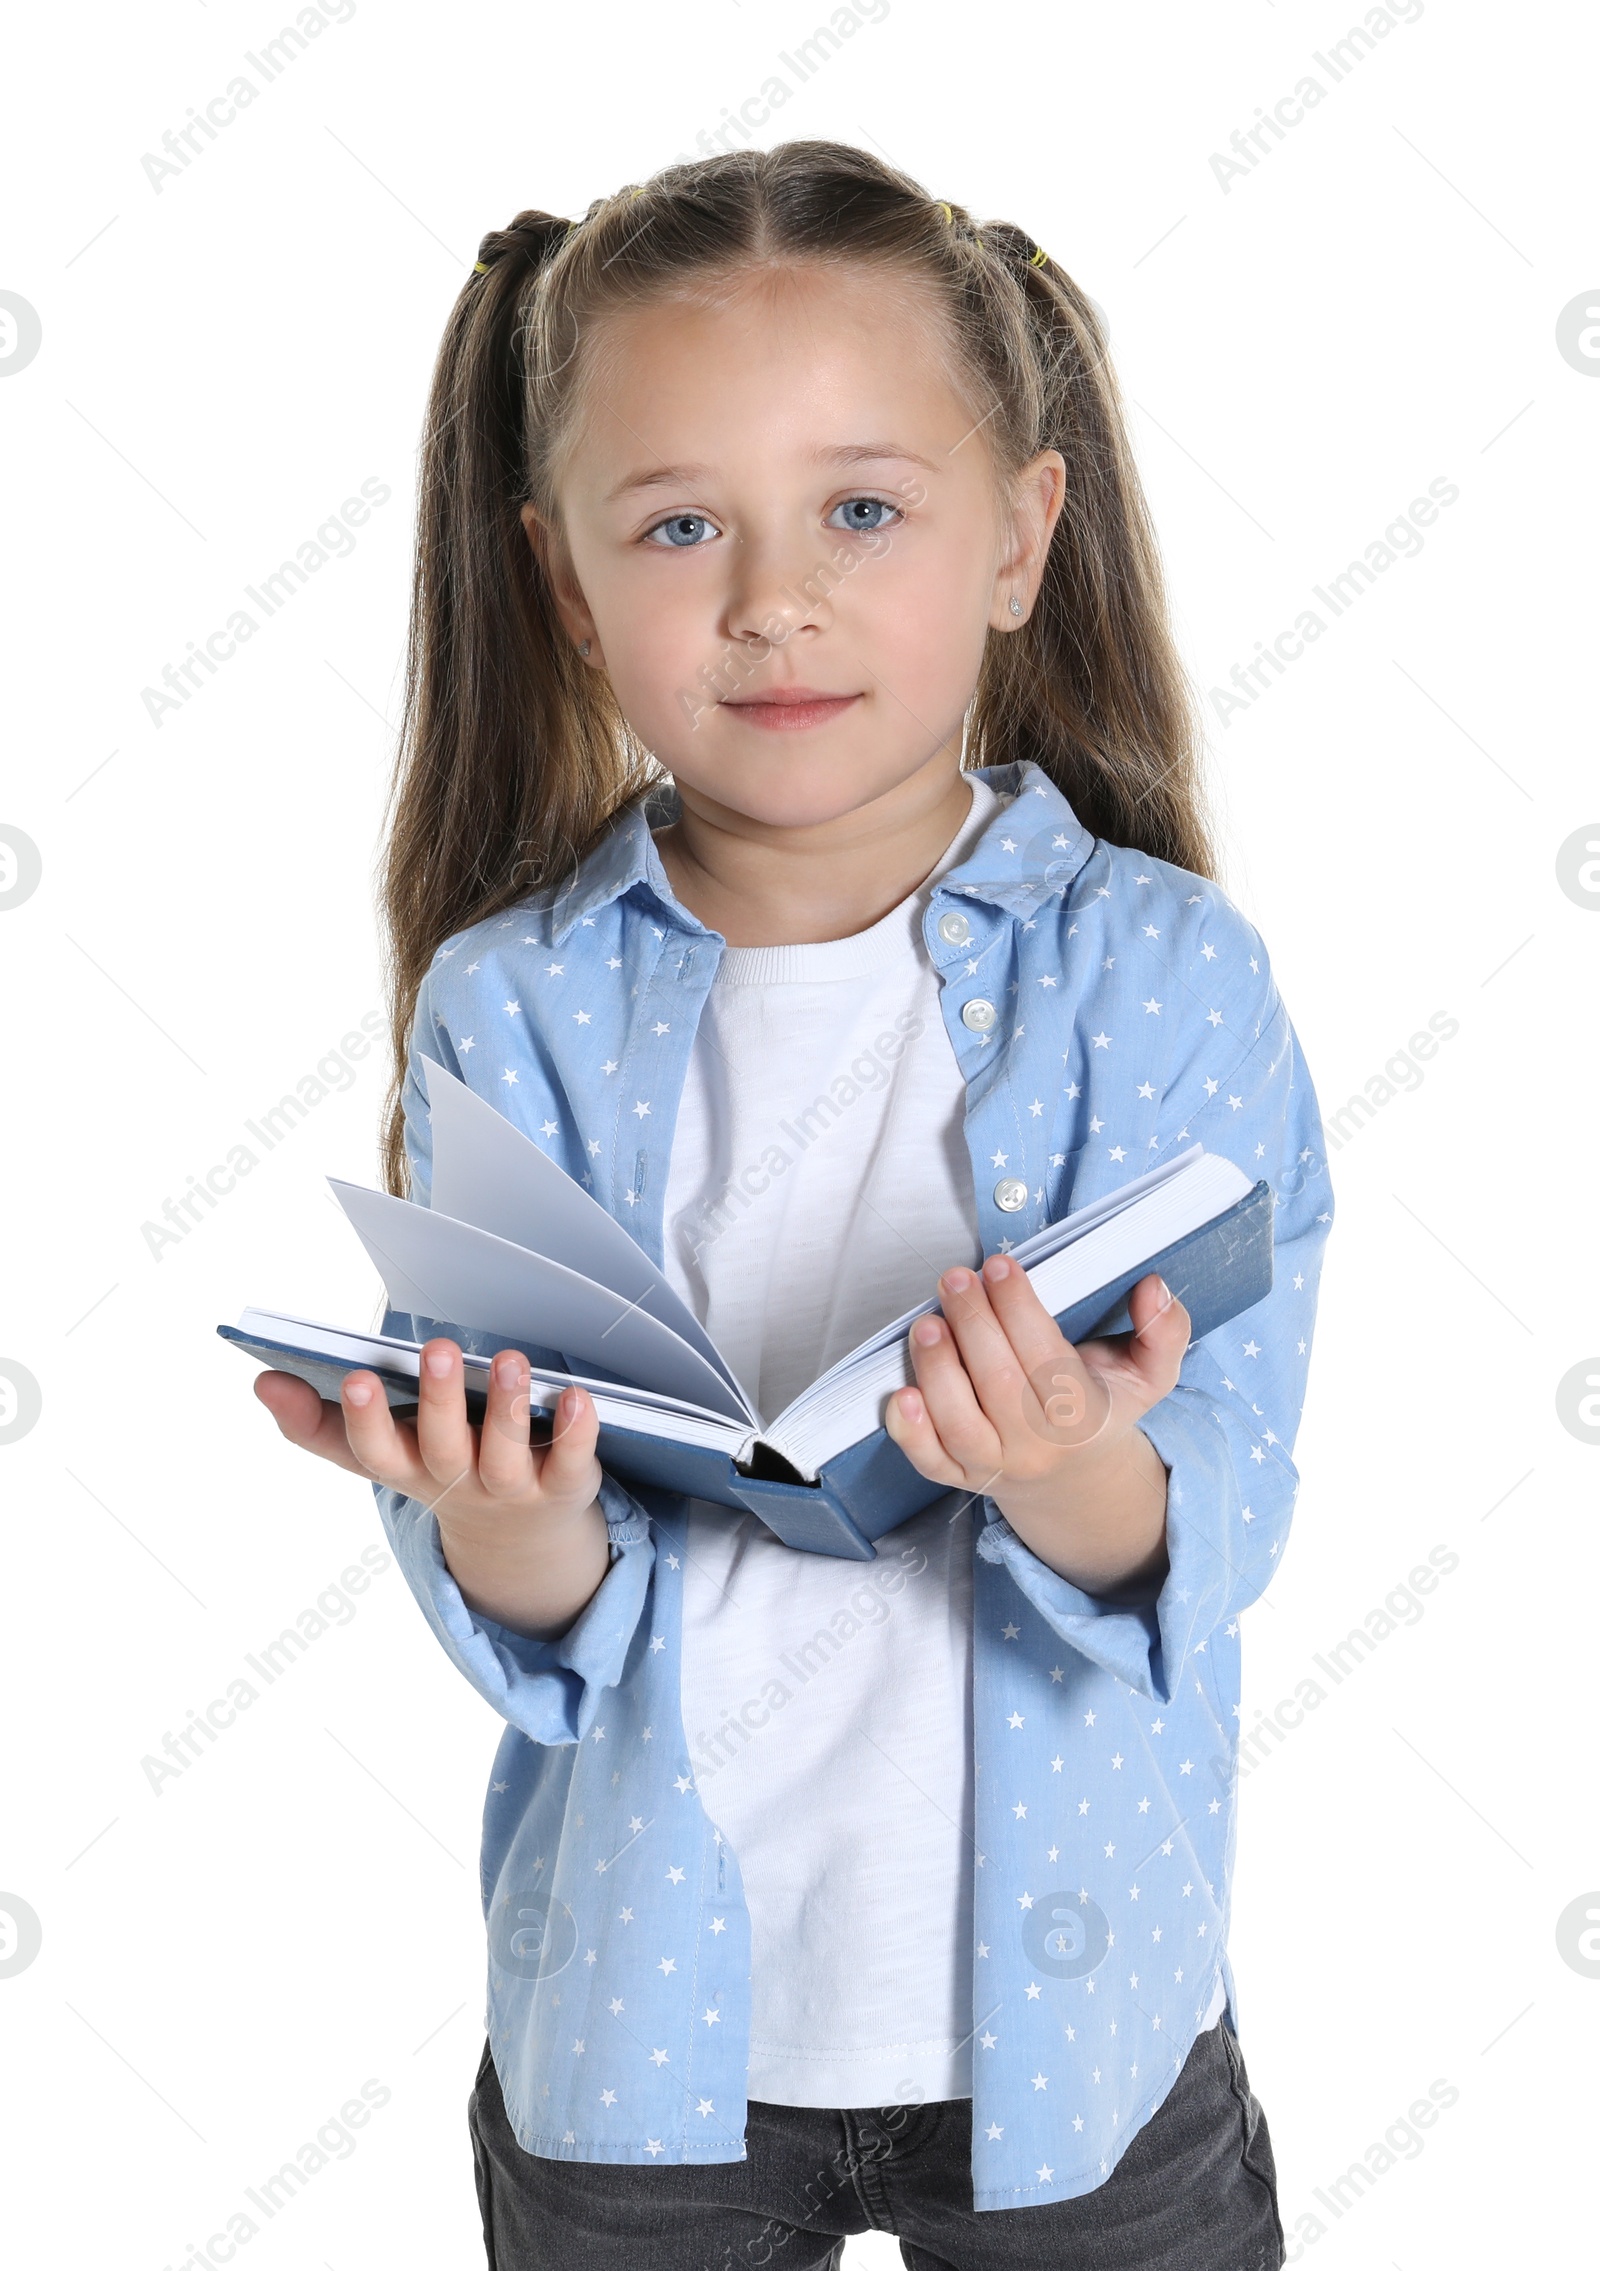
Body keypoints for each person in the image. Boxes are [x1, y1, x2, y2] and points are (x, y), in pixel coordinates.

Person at [254, 140, 1332, 2270]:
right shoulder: (519, 1002)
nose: (772, 597)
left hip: (1082, 2029)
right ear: (565, 580)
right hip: (640, 2047)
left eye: (862, 508)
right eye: (678, 527)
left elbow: (1225, 1498)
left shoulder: (1159, 973)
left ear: (1019, 531)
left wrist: (1070, 1468)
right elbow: (551, 1595)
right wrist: (497, 1514)